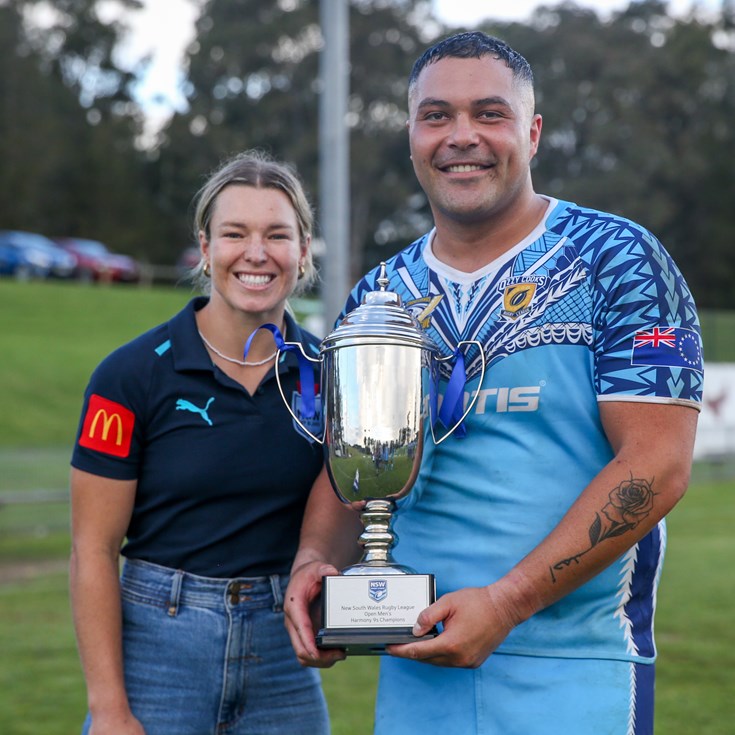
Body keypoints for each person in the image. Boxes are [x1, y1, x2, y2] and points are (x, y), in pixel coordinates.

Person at [284, 31, 703, 735]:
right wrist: (314, 563)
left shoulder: (617, 259)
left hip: (576, 670)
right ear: (412, 135)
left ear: (531, 132)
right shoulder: (380, 293)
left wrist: (505, 602)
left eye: (488, 113)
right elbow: (345, 462)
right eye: (436, 115)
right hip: (416, 666)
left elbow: (656, 464)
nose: (461, 137)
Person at [69, 150, 330, 735]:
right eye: (235, 233)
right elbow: (92, 551)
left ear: (304, 250)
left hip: (280, 658)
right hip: (156, 650)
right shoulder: (129, 376)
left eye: (277, 235)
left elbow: (343, 514)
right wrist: (110, 708)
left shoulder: (334, 374)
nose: (256, 254)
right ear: (206, 248)